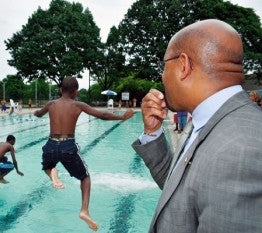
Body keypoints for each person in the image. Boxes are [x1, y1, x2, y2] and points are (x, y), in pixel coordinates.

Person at [132, 19, 262, 233]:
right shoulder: (207, 120)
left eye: (164, 66)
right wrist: (153, 133)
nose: (162, 76)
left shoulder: (241, 150)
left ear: (183, 65)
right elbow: (179, 189)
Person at [34, 76, 134, 231]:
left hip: (51, 144)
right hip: (68, 145)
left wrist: (36, 113)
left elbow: (39, 113)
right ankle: (84, 210)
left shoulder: (51, 104)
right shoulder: (78, 104)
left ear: (61, 90)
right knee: (85, 177)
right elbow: (102, 115)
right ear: (75, 91)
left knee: (47, 166)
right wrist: (122, 117)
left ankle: (53, 172)